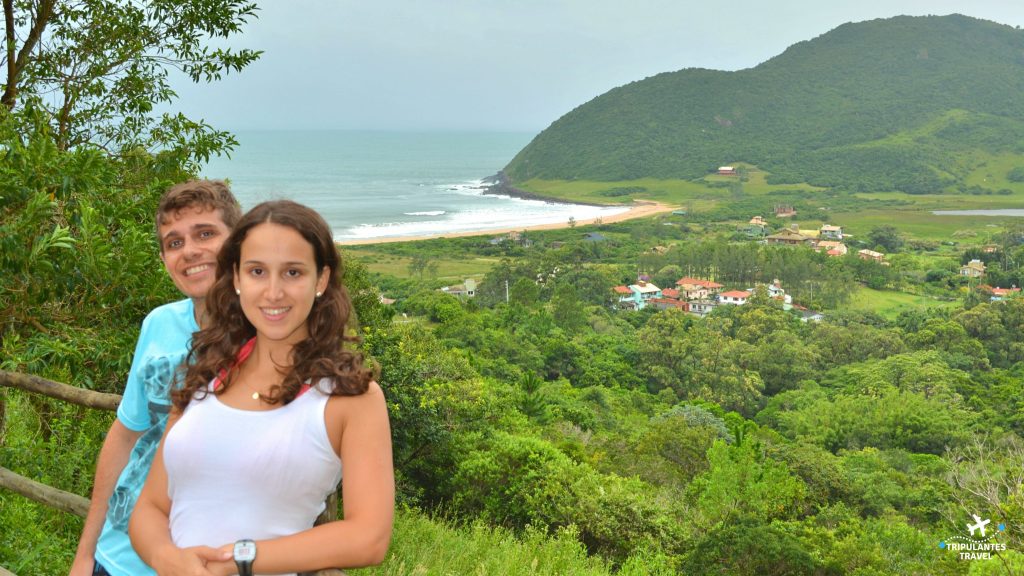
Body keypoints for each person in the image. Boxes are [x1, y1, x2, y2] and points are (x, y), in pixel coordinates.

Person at [129, 200, 394, 576]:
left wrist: (239, 559)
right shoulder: (206, 373)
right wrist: (166, 558)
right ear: (236, 278)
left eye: (292, 272)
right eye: (257, 271)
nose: (273, 292)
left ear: (320, 280)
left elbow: (368, 536)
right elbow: (152, 506)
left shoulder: (349, 398)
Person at [70, 180, 243, 576]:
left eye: (205, 233)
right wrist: (86, 553)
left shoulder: (267, 339)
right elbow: (125, 436)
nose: (190, 251)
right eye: (174, 242)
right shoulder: (159, 323)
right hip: (116, 558)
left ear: (238, 242)